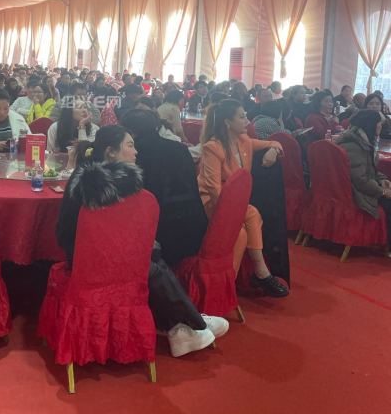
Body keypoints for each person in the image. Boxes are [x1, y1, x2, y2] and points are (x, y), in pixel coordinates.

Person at [56, 125, 228, 356]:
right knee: (148, 265)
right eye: (130, 145)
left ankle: (180, 329)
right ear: (110, 152)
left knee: (149, 259)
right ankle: (194, 322)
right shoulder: (98, 184)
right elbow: (77, 232)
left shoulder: (98, 177)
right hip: (86, 256)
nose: (136, 151)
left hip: (109, 251)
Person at [198, 99, 289, 296]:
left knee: (251, 215)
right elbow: (213, 189)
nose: (248, 120)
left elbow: (275, 142)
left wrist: (273, 151)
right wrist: (232, 212)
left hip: (236, 202)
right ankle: (254, 275)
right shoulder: (213, 147)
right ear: (227, 122)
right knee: (244, 225)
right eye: (242, 117)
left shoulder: (244, 141)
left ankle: (250, 276)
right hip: (214, 202)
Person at [120, 108, 208, 265]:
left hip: (160, 239)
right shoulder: (180, 148)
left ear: (130, 133)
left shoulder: (135, 155)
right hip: (196, 229)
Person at [336, 110, 391, 255]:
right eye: (379, 125)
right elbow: (360, 180)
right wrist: (382, 192)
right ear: (371, 125)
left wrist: (383, 180)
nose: (381, 128)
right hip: (356, 193)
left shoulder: (361, 141)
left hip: (359, 187)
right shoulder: (354, 146)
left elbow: (370, 169)